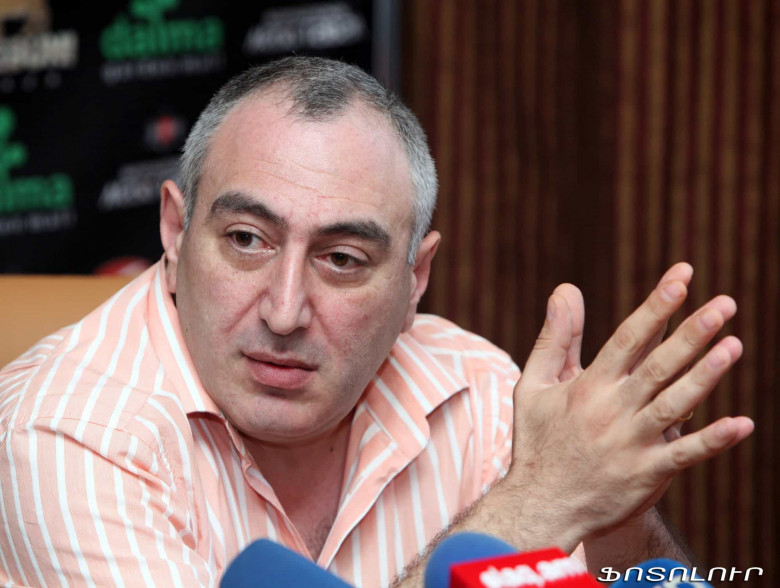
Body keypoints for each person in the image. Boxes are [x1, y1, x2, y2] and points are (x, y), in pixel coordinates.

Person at [0, 57, 753, 587]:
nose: (284, 311)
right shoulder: (61, 435)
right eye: (247, 241)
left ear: (414, 279)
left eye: (342, 259)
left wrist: (612, 513)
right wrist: (540, 505)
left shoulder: (477, 392)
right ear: (174, 230)